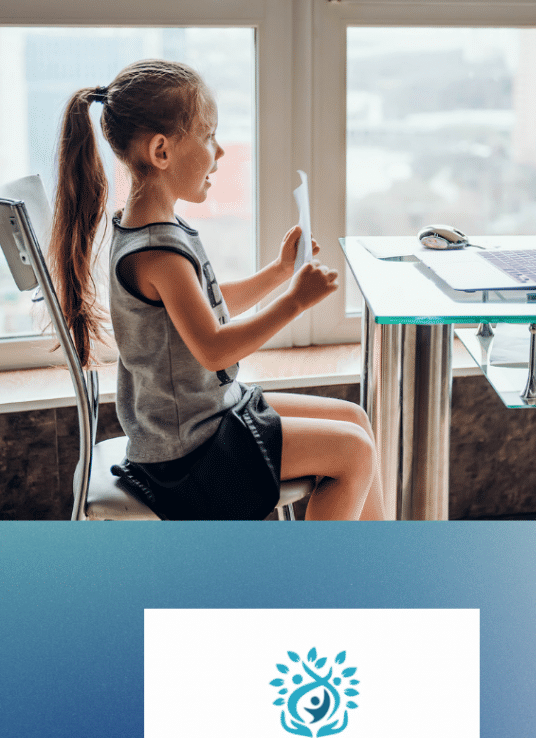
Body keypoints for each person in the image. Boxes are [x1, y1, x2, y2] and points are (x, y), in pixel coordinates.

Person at [49, 59, 385, 521]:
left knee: (355, 421)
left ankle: (372, 567)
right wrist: (295, 302)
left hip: (205, 419)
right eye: (208, 136)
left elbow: (201, 307)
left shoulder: (154, 228)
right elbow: (212, 349)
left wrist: (277, 273)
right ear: (162, 151)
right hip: (189, 454)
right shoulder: (156, 250)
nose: (220, 151)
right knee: (352, 453)